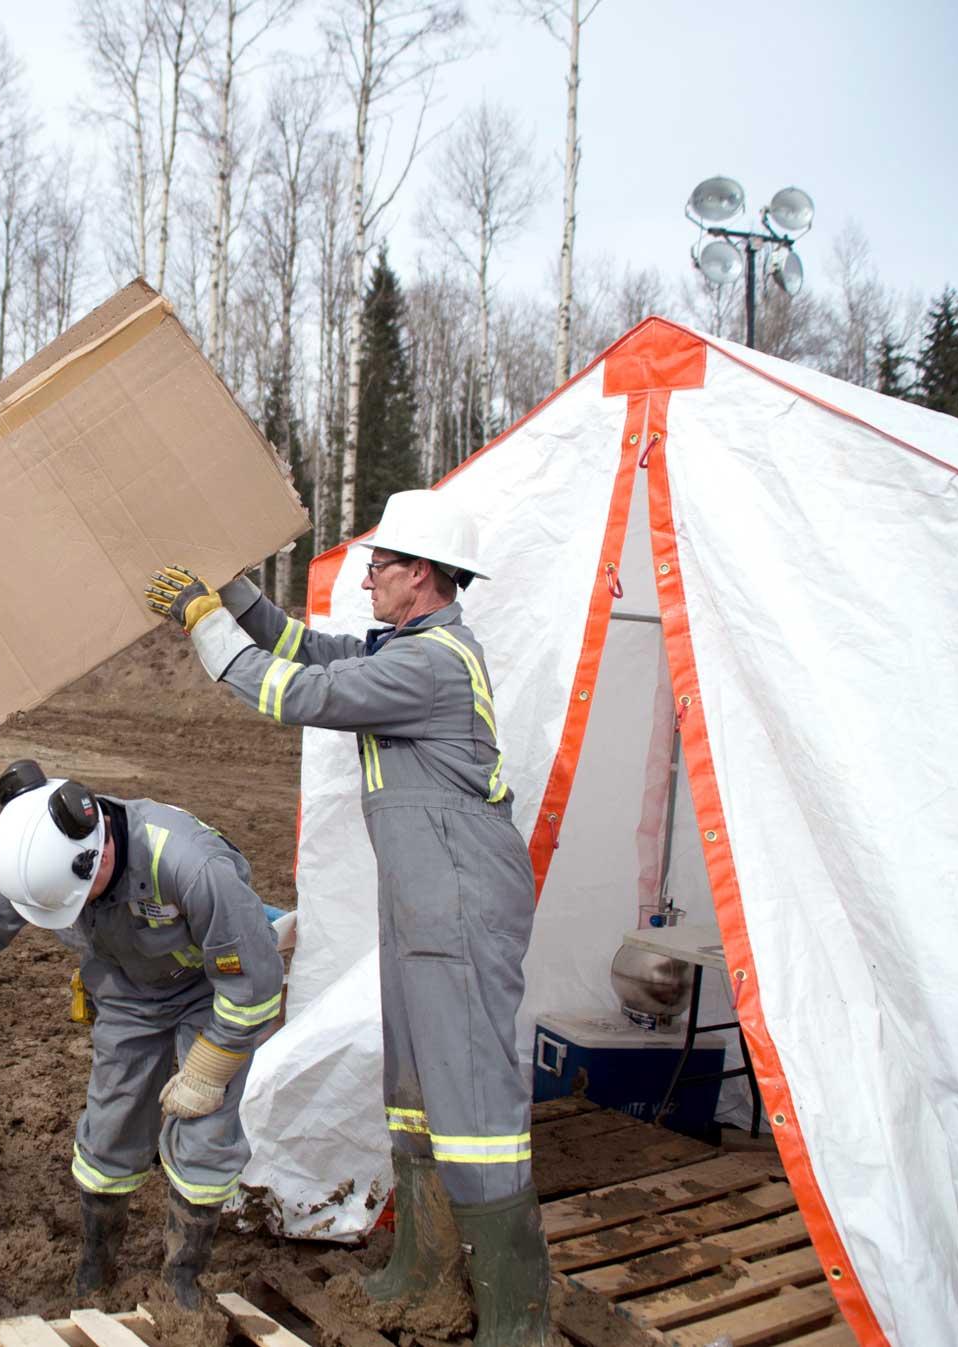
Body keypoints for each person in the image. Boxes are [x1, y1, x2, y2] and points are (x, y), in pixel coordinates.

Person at [143, 489, 550, 1346]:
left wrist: (203, 621)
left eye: (384, 563)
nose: (368, 573)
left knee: (471, 1101)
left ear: (425, 577)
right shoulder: (407, 647)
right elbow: (310, 648)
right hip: (425, 900)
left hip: (461, 902)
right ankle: (426, 1269)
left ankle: (516, 1315)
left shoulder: (431, 663)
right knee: (412, 1089)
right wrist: (239, 592)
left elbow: (293, 689)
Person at [0, 762, 282, 1310]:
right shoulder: (35, 850)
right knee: (110, 1126)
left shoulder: (193, 866)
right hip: (127, 990)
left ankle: (182, 1282)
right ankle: (96, 1269)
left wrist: (210, 1068)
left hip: (210, 996)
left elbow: (255, 985)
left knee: (204, 1131)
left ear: (96, 850)